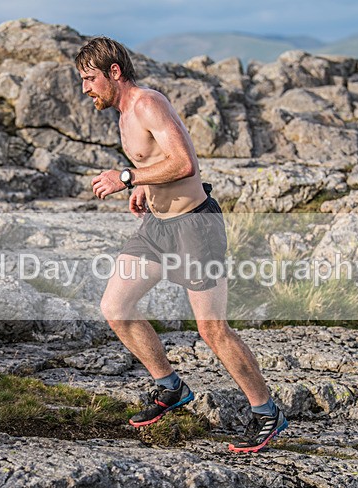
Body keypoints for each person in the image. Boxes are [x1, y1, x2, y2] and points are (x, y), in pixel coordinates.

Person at [75, 37, 287, 453]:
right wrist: (143, 187)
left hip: (195, 228)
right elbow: (156, 161)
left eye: (89, 78)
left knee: (212, 330)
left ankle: (267, 412)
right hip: (157, 228)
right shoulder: (123, 113)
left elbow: (185, 162)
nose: (86, 89)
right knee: (115, 308)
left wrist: (127, 178)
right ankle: (170, 387)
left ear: (113, 72)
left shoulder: (147, 104)